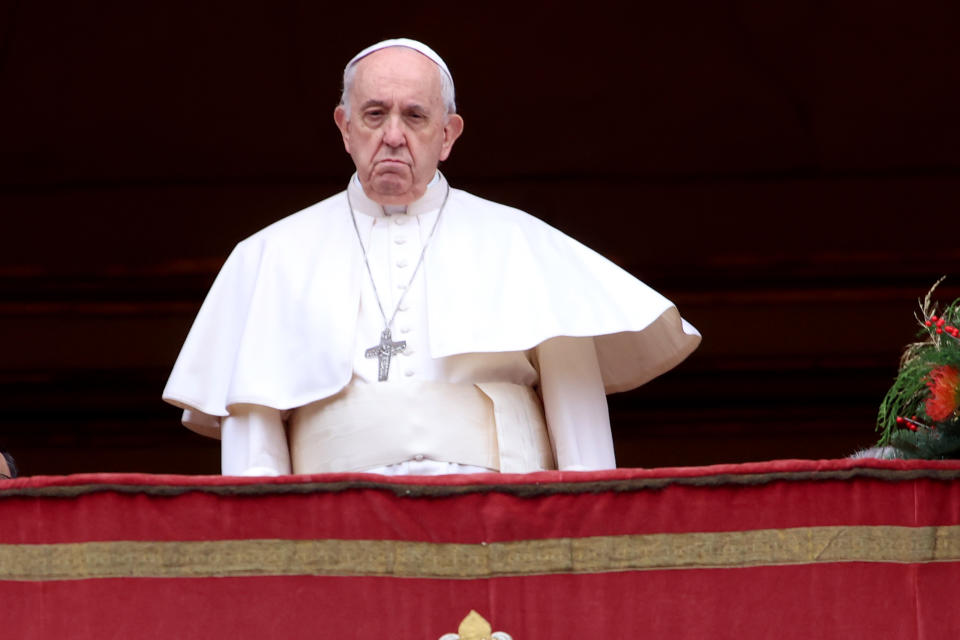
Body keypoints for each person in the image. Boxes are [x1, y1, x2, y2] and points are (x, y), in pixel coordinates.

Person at [163, 38, 701, 477]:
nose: (393, 136)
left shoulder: (524, 245)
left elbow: (584, 452)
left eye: (415, 116)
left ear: (447, 135)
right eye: (374, 115)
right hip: (338, 532)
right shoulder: (269, 259)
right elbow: (253, 453)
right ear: (344, 127)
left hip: (498, 523)